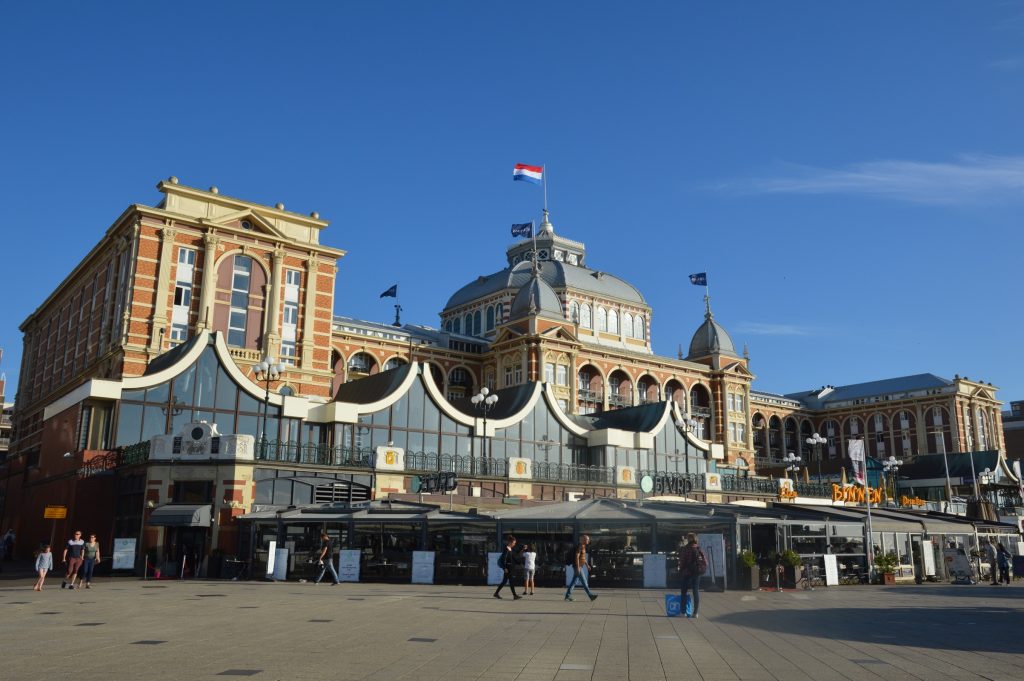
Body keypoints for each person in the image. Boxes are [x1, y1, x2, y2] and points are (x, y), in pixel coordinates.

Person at [564, 535, 598, 602]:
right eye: (587, 539)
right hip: (578, 567)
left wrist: (587, 565)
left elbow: (583, 558)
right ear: (583, 540)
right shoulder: (580, 546)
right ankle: (590, 595)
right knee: (584, 582)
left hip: (580, 566)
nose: (588, 541)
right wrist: (577, 567)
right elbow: (577, 557)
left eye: (588, 539)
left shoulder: (583, 546)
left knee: (574, 582)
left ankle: (567, 596)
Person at [678, 533, 702, 619]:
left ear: (689, 539)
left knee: (684, 592)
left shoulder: (686, 548)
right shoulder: (698, 548)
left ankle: (683, 612)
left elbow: (682, 560)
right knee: (696, 592)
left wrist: (681, 569)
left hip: (687, 573)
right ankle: (695, 613)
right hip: (696, 573)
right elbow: (704, 561)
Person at [493, 534, 521, 599]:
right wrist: (504, 568)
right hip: (507, 568)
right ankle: (515, 595)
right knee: (511, 581)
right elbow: (503, 560)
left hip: (509, 567)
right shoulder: (506, 549)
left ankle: (496, 593)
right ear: (510, 542)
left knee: (504, 581)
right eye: (514, 543)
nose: (514, 544)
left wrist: (522, 549)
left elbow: (515, 554)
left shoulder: (511, 549)